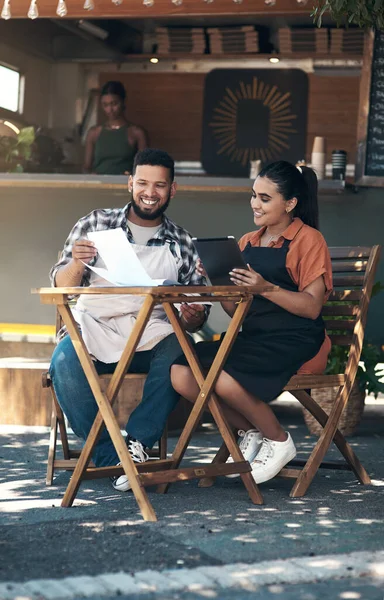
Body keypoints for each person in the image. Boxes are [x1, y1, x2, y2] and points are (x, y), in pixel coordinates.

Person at [50, 148, 207, 492]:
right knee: (62, 361)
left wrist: (194, 315)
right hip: (96, 326)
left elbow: (196, 312)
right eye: (143, 183)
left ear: (172, 189)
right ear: (130, 182)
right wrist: (77, 262)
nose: (150, 192)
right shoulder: (95, 223)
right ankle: (111, 456)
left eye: (160, 185)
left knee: (180, 348)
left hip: (151, 332)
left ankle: (137, 444)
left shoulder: (182, 241)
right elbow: (61, 287)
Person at [170, 161, 333, 485]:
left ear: (290, 203)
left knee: (225, 377)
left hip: (295, 338)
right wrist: (218, 282)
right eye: (253, 195)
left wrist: (265, 288)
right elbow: (237, 312)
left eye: (264, 198)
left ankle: (279, 440)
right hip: (255, 336)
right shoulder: (245, 243)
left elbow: (312, 308)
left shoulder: (308, 241)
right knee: (181, 372)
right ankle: (250, 431)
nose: (254, 204)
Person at [83, 81, 148, 175]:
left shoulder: (136, 133)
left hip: (125, 186)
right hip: (99, 185)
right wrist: (91, 175)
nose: (110, 109)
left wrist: (132, 175)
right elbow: (86, 167)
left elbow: (145, 168)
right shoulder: (94, 133)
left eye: (114, 104)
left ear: (123, 102)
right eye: (105, 105)